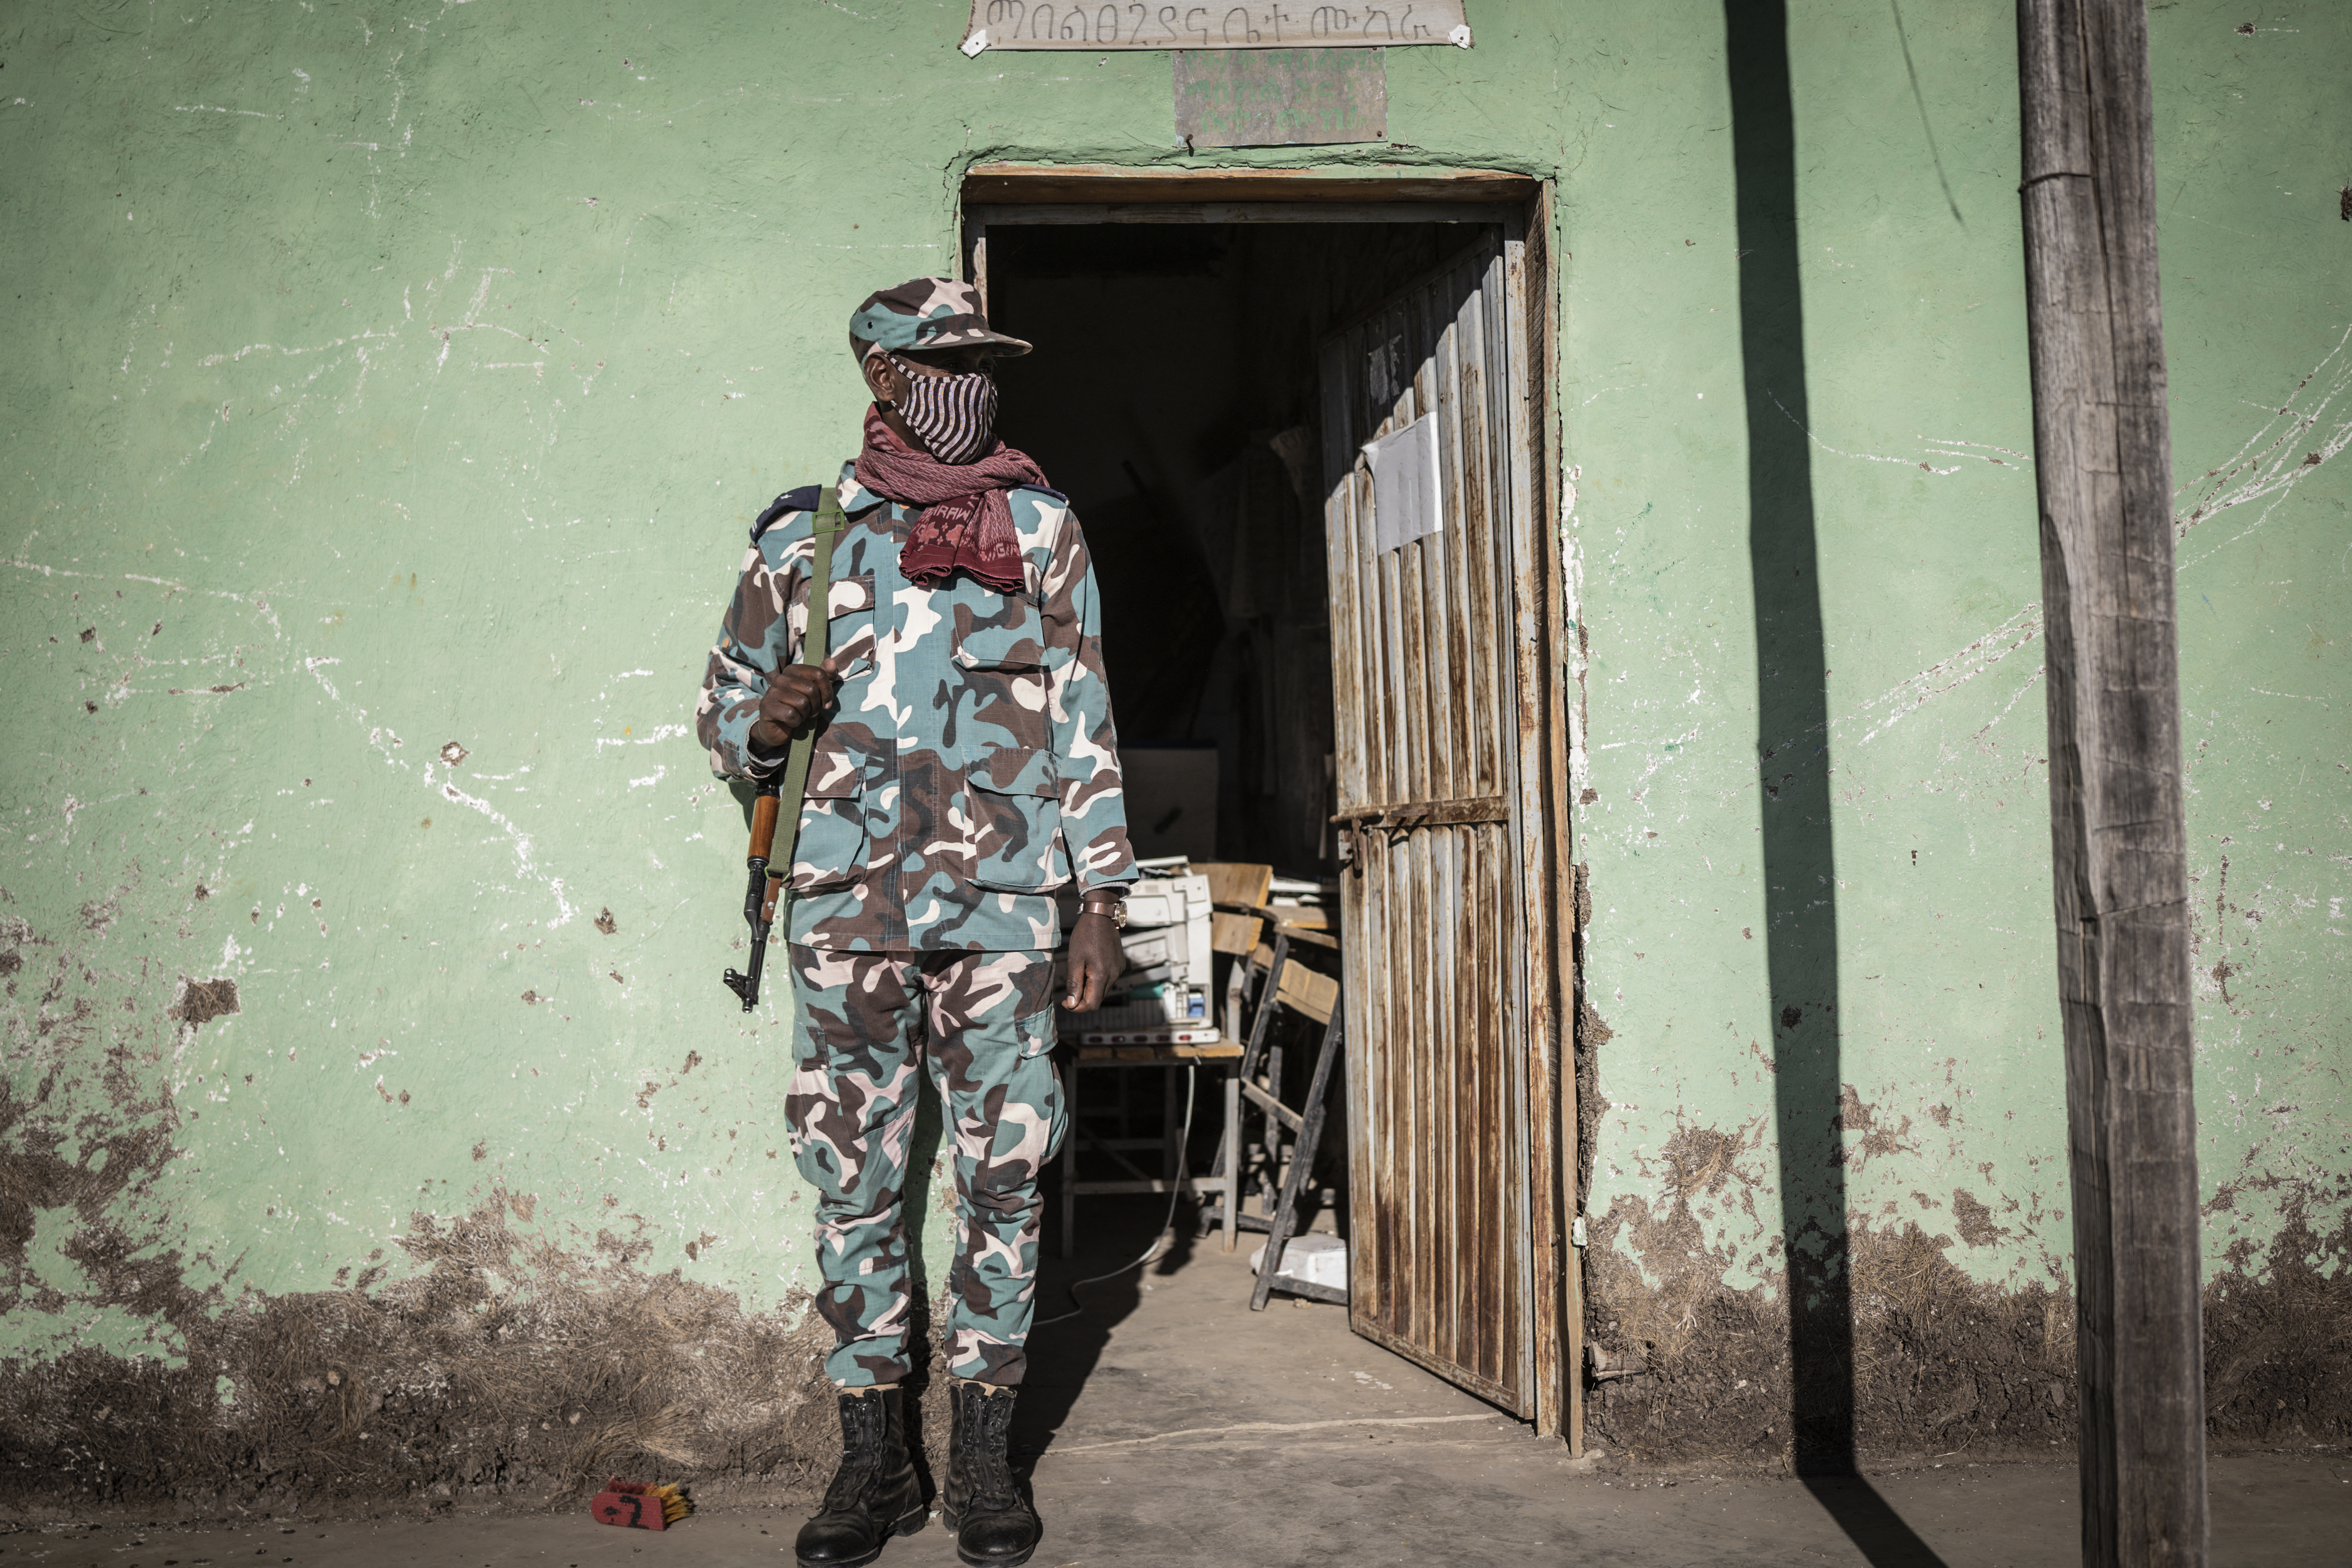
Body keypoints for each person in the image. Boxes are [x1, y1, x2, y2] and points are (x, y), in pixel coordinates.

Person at [695, 278, 1134, 1568]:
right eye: (949, 363)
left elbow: (1084, 721)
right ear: (883, 379)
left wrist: (1097, 900)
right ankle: (872, 1463)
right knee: (854, 1186)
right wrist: (763, 720)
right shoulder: (800, 541)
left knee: (1005, 1178)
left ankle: (987, 1464)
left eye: (988, 363)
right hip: (843, 910)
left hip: (1005, 913)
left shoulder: (1039, 529)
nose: (974, 384)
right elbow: (722, 712)